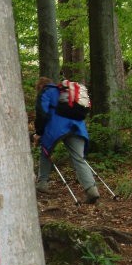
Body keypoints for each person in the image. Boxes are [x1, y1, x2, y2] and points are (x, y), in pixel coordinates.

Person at [34, 76, 100, 204]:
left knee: (46, 151)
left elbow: (42, 113)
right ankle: (92, 190)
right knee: (79, 158)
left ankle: (42, 183)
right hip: (78, 128)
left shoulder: (46, 91)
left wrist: (39, 133)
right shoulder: (64, 92)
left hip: (56, 129)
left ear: (40, 87)